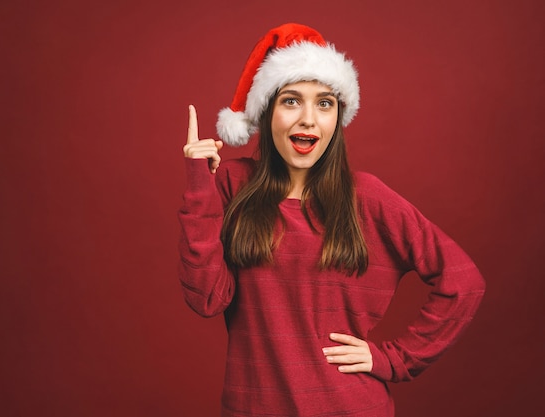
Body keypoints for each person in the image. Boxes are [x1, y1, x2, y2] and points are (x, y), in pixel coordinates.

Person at [178, 23, 485, 417]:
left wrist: (393, 358)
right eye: (291, 101)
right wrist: (199, 185)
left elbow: (463, 282)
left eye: (324, 103)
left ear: (338, 116)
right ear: (266, 110)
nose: (308, 119)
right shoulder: (232, 185)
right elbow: (206, 298)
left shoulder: (367, 198)